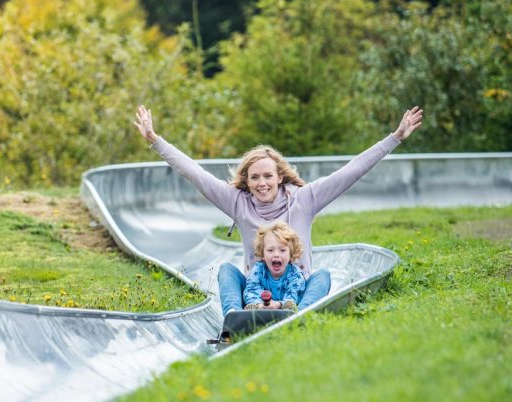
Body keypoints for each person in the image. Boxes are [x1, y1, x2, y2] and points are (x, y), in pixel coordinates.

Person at [133, 104, 423, 315]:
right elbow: (194, 173)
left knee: (322, 277)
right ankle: (237, 317)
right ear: (246, 181)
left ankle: (300, 313)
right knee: (225, 270)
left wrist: (394, 138)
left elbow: (351, 171)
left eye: (267, 176)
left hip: (297, 289)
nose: (262, 184)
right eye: (255, 177)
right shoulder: (237, 202)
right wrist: (155, 141)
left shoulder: (305, 200)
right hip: (258, 292)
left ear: (280, 176)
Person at [243, 222, 305, 312]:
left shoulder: (295, 274)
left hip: (283, 307)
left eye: (282, 250)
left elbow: (294, 291)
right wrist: (259, 304)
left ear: (291, 255)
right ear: (263, 254)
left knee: (291, 301)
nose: (276, 254)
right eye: (270, 250)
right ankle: (252, 310)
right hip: (261, 306)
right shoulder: (259, 270)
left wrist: (279, 305)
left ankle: (289, 311)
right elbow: (252, 288)